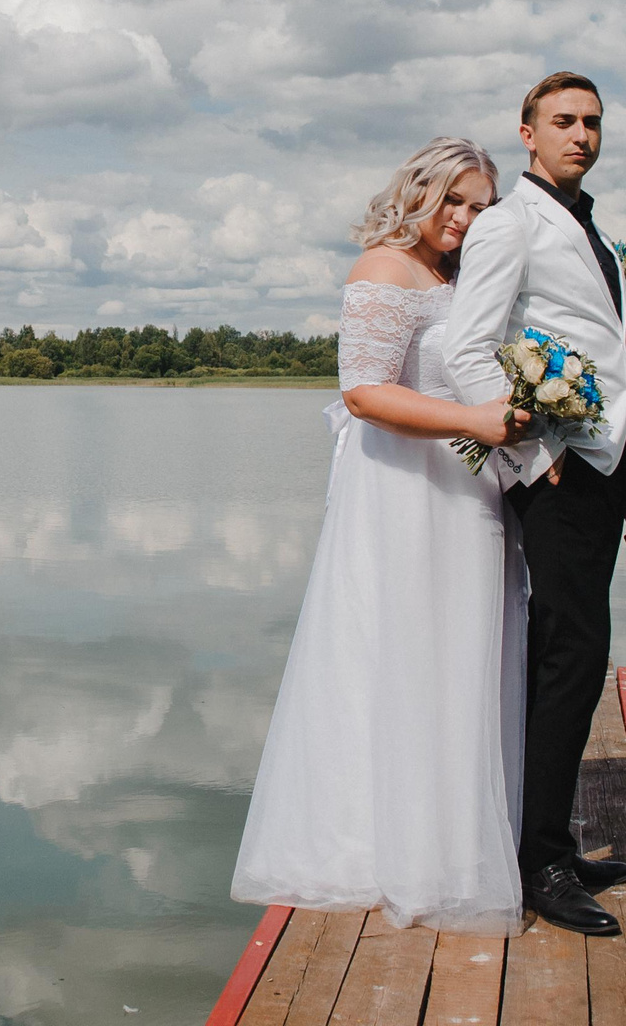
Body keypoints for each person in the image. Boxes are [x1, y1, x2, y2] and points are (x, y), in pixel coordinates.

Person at [230, 138, 538, 933]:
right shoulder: (383, 270)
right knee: (399, 656)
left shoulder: (465, 277)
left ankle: (459, 836)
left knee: (465, 653)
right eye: (454, 202)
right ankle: (378, 846)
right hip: (403, 491)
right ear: (419, 194)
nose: (466, 220)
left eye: (480, 207)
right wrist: (474, 420)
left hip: (470, 490)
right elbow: (364, 393)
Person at [445, 73, 626, 938]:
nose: (582, 134)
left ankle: (550, 841)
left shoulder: (595, 233)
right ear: (527, 134)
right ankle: (538, 862)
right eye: (564, 121)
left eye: (593, 123)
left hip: (606, 469)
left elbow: (614, 366)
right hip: (556, 470)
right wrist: (534, 458)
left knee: (576, 653)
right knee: (569, 656)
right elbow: (470, 350)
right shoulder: (508, 224)